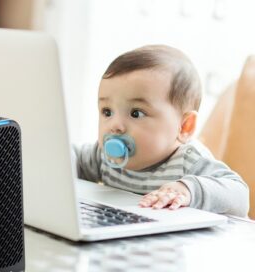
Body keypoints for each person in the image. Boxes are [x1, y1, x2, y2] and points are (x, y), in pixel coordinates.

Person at [73, 45, 249, 217]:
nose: (115, 125)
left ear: (184, 126)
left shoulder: (188, 161)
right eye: (107, 112)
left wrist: (188, 189)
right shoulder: (103, 157)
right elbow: (72, 159)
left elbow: (240, 196)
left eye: (136, 113)